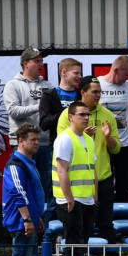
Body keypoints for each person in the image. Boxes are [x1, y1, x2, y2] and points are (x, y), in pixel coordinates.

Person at [56, 76, 121, 256]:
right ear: (82, 92)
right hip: (76, 189)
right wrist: (83, 135)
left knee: (106, 224)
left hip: (102, 180)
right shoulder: (67, 116)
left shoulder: (107, 114)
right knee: (76, 234)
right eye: (94, 91)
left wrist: (108, 137)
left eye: (100, 91)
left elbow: (117, 149)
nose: (98, 95)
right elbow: (62, 151)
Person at [52, 100, 98, 256]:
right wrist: (69, 198)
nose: (86, 117)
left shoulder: (88, 139)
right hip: (70, 200)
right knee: (75, 245)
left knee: (79, 245)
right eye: (81, 114)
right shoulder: (65, 139)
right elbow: (62, 170)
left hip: (86, 199)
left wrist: (95, 195)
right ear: (71, 117)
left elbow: (92, 169)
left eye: (87, 114)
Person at [4, 47, 55, 225]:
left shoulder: (48, 86)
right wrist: (38, 106)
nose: (41, 64)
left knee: (47, 189)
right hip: (23, 147)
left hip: (46, 144)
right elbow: (13, 111)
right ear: (25, 63)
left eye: (42, 61)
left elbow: (53, 113)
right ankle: (26, 226)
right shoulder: (13, 85)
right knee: (26, 188)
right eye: (37, 61)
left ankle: (47, 232)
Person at [3, 125, 45, 256]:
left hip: (31, 219)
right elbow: (18, 193)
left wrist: (38, 217)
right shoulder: (15, 164)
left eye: (38, 139)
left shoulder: (30, 162)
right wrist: (27, 219)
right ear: (21, 141)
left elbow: (34, 193)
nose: (37, 143)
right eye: (32, 140)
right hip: (21, 221)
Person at [38, 57, 82, 224]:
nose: (79, 76)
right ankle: (48, 238)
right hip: (55, 149)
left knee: (75, 193)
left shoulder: (80, 94)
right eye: (75, 73)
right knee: (54, 194)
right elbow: (43, 123)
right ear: (64, 72)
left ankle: (70, 235)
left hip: (78, 149)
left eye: (80, 73)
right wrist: (66, 114)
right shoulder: (49, 95)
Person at [99, 54, 128, 202]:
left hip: (125, 143)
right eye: (126, 75)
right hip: (103, 144)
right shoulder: (97, 84)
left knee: (125, 187)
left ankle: (124, 221)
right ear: (116, 70)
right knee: (104, 185)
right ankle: (105, 220)